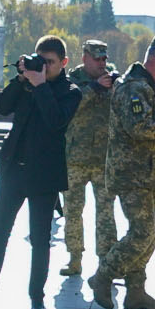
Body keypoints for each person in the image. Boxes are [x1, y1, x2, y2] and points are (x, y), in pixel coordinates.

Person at [0, 35, 79, 309]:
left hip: (44, 178)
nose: (44, 68)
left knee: (40, 239)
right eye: (41, 61)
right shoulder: (28, 84)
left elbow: (56, 121)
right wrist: (22, 79)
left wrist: (40, 86)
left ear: (63, 63)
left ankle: (37, 297)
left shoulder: (70, 91)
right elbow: (1, 107)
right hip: (14, 170)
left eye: (50, 63)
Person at [93, 35, 155, 309]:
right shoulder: (134, 87)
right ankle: (102, 277)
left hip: (144, 174)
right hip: (132, 174)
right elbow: (139, 128)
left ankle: (135, 291)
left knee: (147, 236)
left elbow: (147, 126)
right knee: (142, 235)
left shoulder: (148, 85)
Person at [60, 40, 118, 279]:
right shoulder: (71, 80)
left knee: (106, 212)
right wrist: (94, 88)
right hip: (75, 157)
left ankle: (107, 261)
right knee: (72, 211)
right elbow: (69, 107)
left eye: (104, 59)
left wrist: (114, 88)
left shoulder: (112, 80)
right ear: (84, 57)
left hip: (103, 158)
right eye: (97, 59)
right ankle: (75, 258)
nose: (101, 64)